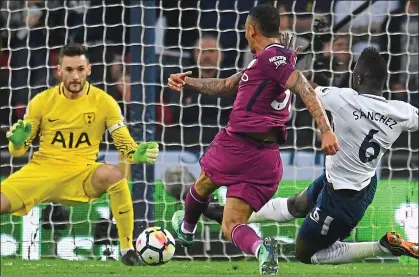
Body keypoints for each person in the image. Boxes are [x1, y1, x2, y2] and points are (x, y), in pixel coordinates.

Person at [202, 47, 419, 264]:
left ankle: (382, 246)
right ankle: (227, 214)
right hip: (359, 183)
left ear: (358, 77)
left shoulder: (342, 99)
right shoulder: (402, 112)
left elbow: (304, 87)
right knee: (298, 205)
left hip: (342, 199)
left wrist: (283, 63)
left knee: (305, 254)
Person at [167, 4, 339, 275]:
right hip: (266, 158)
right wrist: (187, 83)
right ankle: (262, 249)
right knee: (231, 223)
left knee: (200, 187)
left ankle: (187, 231)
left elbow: (305, 89)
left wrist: (326, 130)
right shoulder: (265, 61)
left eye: (245, 32)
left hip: (237, 145)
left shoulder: (272, 59)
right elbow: (224, 85)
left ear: (251, 30)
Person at [0, 43, 159, 266]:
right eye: (69, 70)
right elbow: (18, 150)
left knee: (114, 174)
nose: (75, 76)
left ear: (89, 69)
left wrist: (136, 153)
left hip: (82, 174)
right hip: (42, 172)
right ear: (59, 70)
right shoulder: (41, 101)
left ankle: (127, 249)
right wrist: (15, 142)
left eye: (80, 69)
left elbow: (124, 144)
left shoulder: (104, 102)